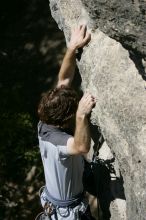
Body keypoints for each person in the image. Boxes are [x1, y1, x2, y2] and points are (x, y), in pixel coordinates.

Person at [37, 25, 96, 220]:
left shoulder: (45, 122)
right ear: (66, 118)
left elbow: (63, 80)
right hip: (67, 214)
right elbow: (81, 147)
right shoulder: (59, 143)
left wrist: (72, 47)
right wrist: (81, 115)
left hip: (56, 203)